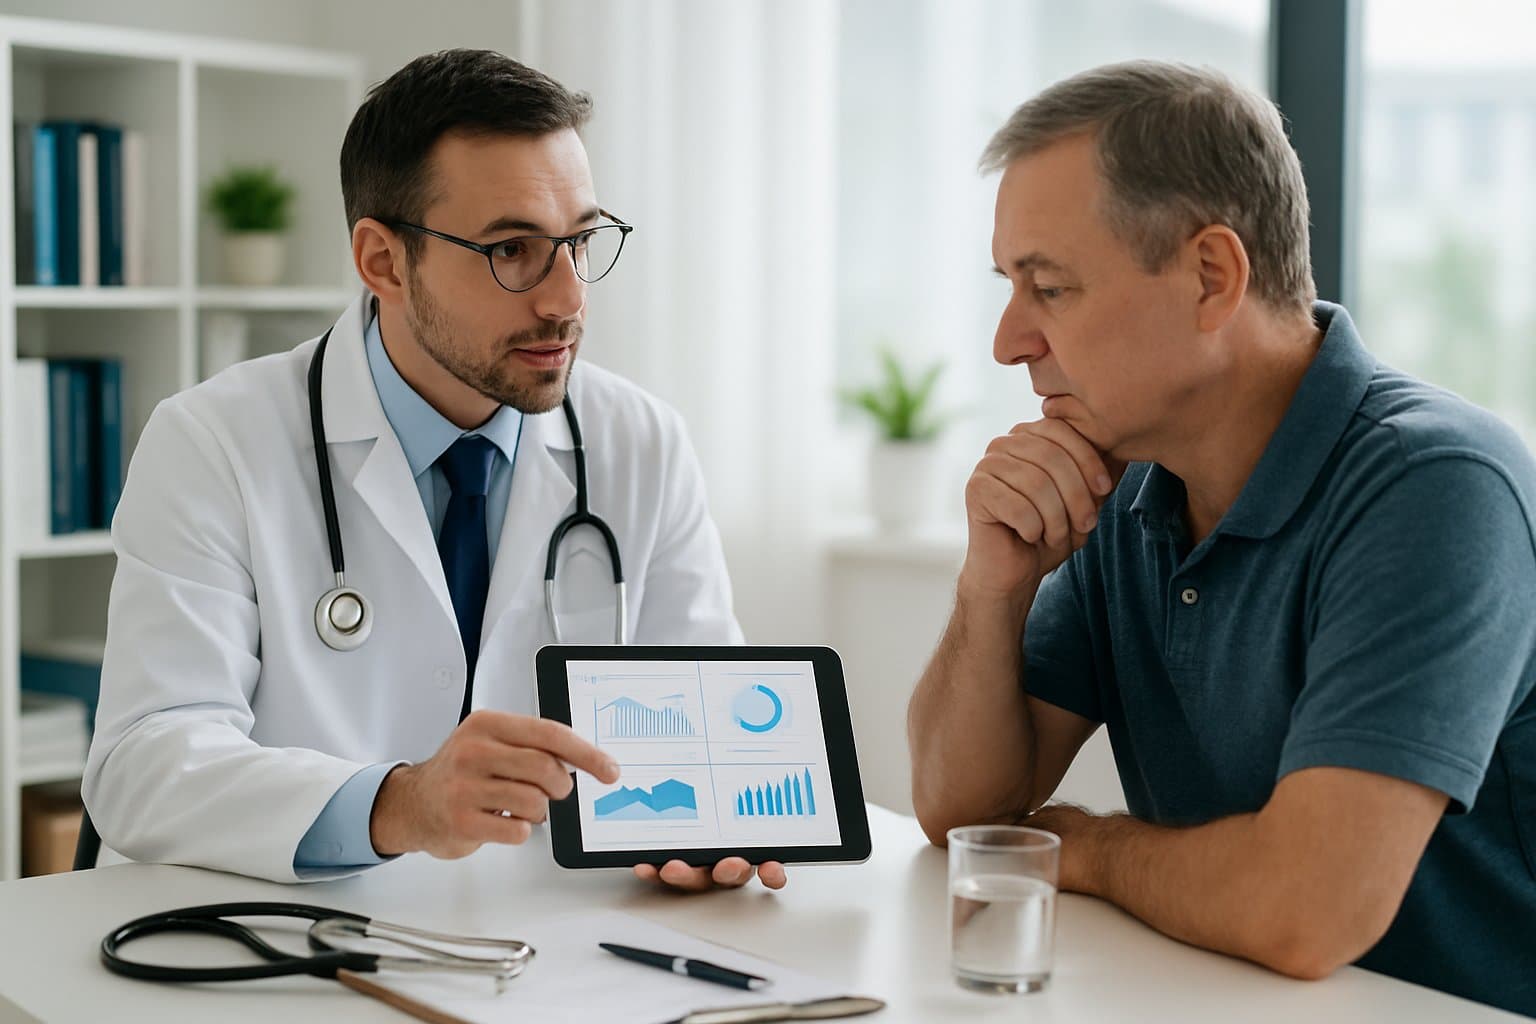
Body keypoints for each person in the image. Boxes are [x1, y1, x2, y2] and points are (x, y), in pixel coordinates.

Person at [906, 61, 1536, 1016]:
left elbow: (1305, 911)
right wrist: (992, 591)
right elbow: (966, 817)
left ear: (1212, 277)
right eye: (1010, 286)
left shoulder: (1437, 486)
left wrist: (1087, 846)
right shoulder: (1128, 487)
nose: (1009, 341)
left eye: (1051, 288)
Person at [82, 49, 786, 893]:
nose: (567, 298)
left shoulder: (640, 441)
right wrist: (402, 803)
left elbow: (706, 726)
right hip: (281, 936)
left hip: (542, 941)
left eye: (581, 241)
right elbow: (144, 764)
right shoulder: (213, 443)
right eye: (513, 249)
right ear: (383, 262)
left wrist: (715, 823)